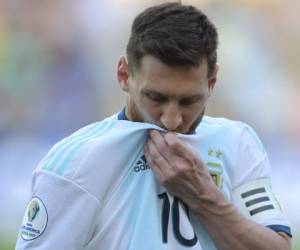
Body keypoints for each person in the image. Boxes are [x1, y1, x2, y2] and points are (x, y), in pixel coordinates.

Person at [15, 2, 292, 250]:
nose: (171, 120)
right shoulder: (75, 162)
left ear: (211, 83)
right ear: (124, 75)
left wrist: (205, 198)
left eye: (189, 101)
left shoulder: (238, 142)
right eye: (156, 98)